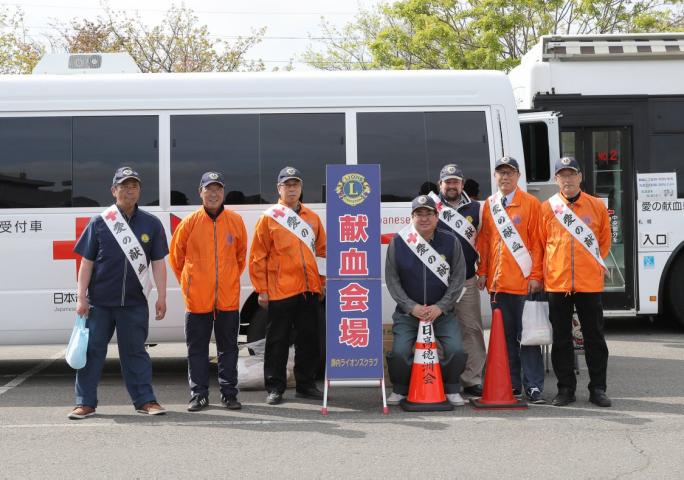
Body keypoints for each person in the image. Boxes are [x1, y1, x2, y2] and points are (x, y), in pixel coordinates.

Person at [69, 166, 168, 419]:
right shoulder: (100, 222)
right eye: (124, 186)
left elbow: (158, 262)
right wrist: (81, 298)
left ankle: (145, 400)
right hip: (100, 303)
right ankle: (85, 402)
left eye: (134, 185)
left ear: (139, 191)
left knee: (136, 352)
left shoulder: (152, 223)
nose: (129, 190)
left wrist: (162, 296)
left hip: (134, 303)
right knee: (92, 353)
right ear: (114, 191)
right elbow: (86, 263)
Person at [169, 172, 248, 412]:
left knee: (229, 348)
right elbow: (176, 258)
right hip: (197, 299)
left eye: (218, 189)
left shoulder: (235, 221)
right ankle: (199, 394)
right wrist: (192, 283)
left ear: (223, 192)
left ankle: (229, 393)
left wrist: (229, 279)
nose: (213, 194)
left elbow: (240, 257)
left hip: (227, 298)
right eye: (208, 189)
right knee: (197, 349)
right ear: (200, 192)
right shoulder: (189, 223)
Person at [249, 167, 326, 405]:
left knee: (309, 340)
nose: (291, 189)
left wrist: (321, 283)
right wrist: (261, 288)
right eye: (287, 185)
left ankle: (305, 384)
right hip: (280, 289)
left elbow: (322, 253)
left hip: (309, 289)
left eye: (295, 184)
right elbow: (257, 256)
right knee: (277, 341)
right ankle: (275, 387)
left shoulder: (312, 218)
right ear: (278, 189)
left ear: (301, 188)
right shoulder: (269, 218)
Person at [539, 157, 612, 407]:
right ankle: (566, 389)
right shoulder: (547, 208)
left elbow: (604, 241)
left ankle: (598, 389)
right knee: (561, 340)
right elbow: (540, 245)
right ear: (556, 179)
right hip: (557, 284)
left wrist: (591, 266)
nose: (567, 180)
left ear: (580, 177)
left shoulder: (596, 206)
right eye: (562, 175)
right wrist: (540, 276)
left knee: (594, 338)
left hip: (589, 284)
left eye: (571, 174)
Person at [385, 195, 468, 406]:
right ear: (411, 217)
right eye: (418, 214)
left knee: (456, 350)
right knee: (400, 352)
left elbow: (458, 278)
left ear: (436, 217)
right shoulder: (399, 242)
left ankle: (450, 388)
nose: (424, 219)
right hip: (408, 313)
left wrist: (441, 307)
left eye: (428, 214)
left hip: (442, 313)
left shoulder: (450, 241)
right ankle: (401, 389)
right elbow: (392, 280)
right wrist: (410, 307)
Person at [476, 156, 546, 404]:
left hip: (523, 283)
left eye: (510, 173)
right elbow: (483, 242)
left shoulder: (531, 204)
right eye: (500, 173)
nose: (505, 177)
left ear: (518, 176)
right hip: (498, 285)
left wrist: (536, 275)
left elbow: (538, 243)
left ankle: (534, 386)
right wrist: (482, 271)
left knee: (528, 337)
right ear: (495, 177)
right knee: (503, 340)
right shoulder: (489, 204)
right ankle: (513, 384)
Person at [431, 163, 486, 397]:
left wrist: (483, 270)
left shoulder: (477, 209)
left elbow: (484, 242)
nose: (451, 185)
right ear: (440, 184)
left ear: (462, 184)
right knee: (438, 329)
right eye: (447, 181)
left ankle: (472, 379)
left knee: (471, 328)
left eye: (455, 181)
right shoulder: (430, 207)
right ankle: (440, 378)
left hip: (466, 280)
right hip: (437, 279)